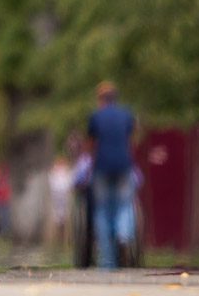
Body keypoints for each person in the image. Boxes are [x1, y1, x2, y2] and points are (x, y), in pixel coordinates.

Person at [87, 80, 135, 269]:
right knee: (124, 205)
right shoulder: (126, 114)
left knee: (102, 209)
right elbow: (129, 139)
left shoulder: (96, 116)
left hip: (102, 166)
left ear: (100, 98)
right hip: (124, 165)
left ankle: (107, 257)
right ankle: (123, 236)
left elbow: (91, 144)